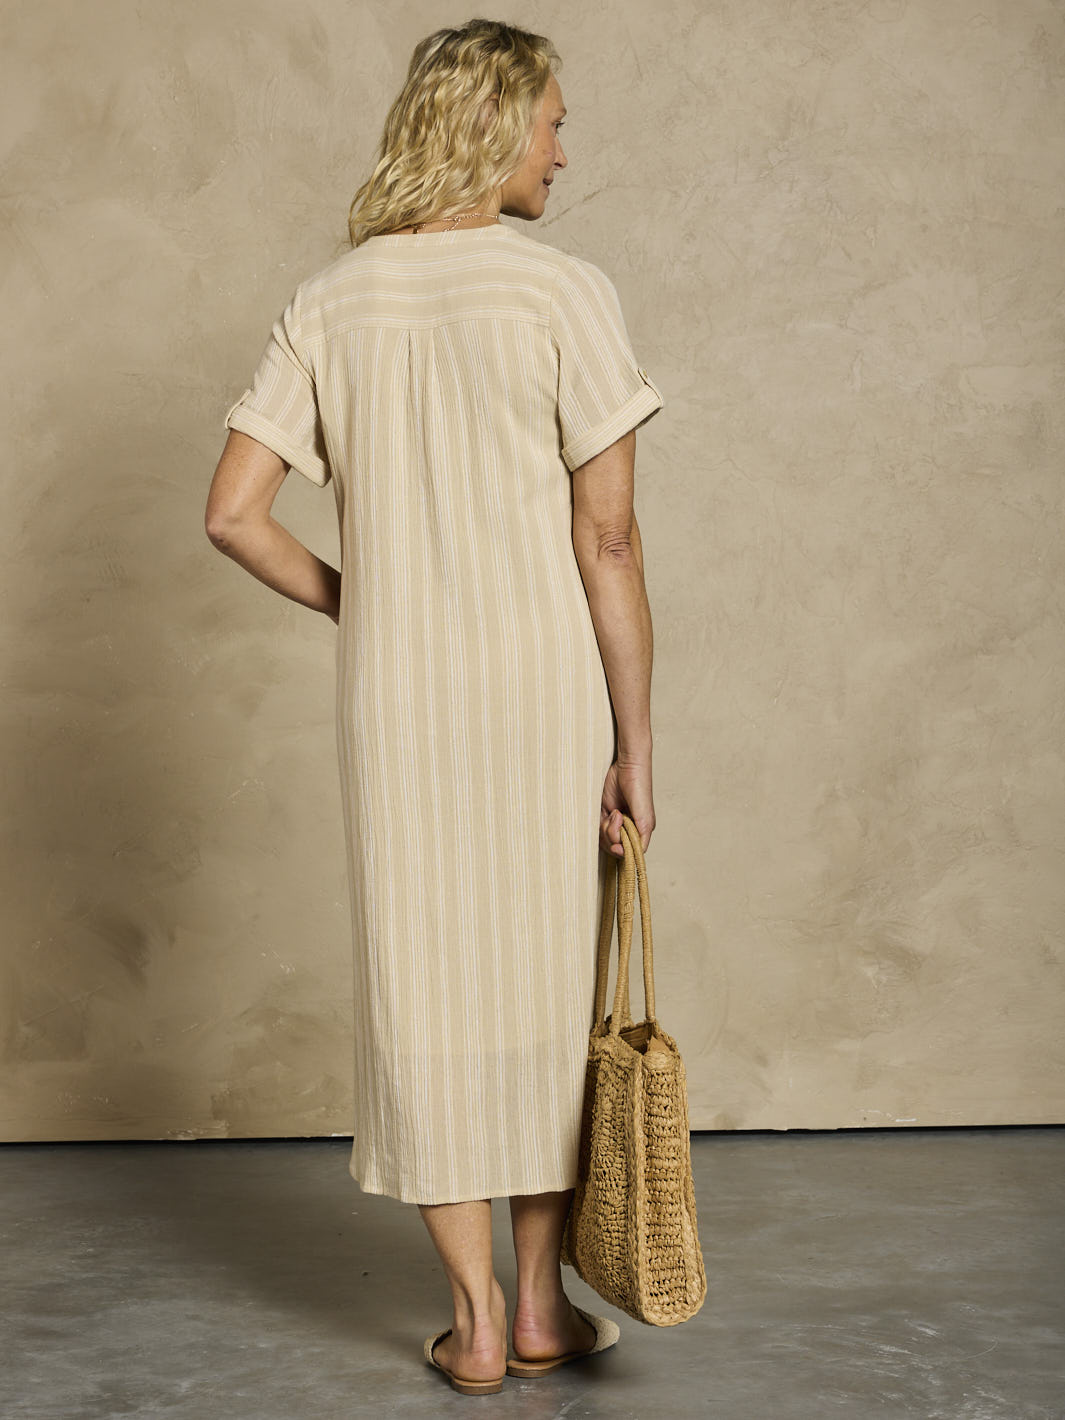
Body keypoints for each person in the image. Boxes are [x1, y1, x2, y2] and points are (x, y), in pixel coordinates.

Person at [205, 18, 662, 1396]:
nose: (563, 150)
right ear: (493, 127)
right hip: (541, 695)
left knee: (427, 989)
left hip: (396, 706)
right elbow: (610, 545)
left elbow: (231, 515)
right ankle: (539, 1306)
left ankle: (470, 1325)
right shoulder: (561, 292)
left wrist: (374, 605)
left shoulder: (329, 300)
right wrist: (635, 742)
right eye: (550, 124)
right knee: (535, 990)